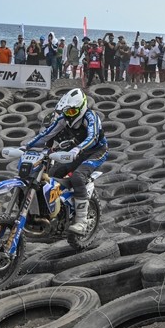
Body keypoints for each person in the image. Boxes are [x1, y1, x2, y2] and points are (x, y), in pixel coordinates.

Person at [24, 88, 107, 235]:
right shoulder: (63, 119)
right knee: (51, 174)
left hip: (95, 152)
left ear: (81, 108)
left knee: (77, 176)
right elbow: (47, 134)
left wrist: (77, 149)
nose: (68, 116)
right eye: (65, 112)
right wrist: (27, 146)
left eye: (71, 112)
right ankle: (56, 209)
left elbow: (93, 137)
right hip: (76, 152)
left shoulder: (91, 117)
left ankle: (81, 220)